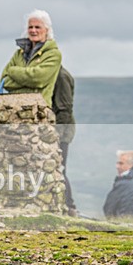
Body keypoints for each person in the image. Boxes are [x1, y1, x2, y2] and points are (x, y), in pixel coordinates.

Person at [0, 9, 62, 107]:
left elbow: (38, 79)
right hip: (15, 110)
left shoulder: (53, 54)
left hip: (38, 112)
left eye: (37, 27)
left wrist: (12, 71)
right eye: (30, 27)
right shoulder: (19, 53)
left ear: (47, 30)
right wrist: (29, 82)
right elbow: (4, 80)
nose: (33, 30)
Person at [52, 66, 77, 215]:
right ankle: (67, 206)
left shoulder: (61, 76)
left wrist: (56, 135)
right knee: (58, 169)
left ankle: (69, 207)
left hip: (60, 132)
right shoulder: (53, 74)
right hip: (57, 131)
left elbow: (65, 108)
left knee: (59, 169)